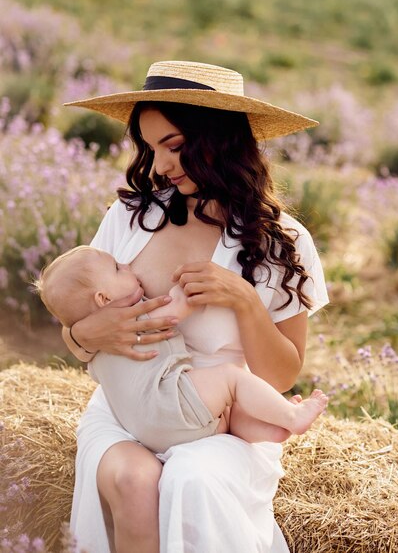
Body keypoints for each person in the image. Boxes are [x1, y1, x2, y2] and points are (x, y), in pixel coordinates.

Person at [61, 60, 329, 553]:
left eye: (175, 146)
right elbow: (75, 327)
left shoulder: (284, 242)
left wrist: (244, 301)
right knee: (133, 481)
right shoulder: (129, 218)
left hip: (219, 420)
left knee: (194, 480)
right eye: (150, 147)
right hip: (126, 409)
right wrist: (84, 338)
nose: (160, 165)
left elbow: (282, 375)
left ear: (221, 141)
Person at [36, 245, 328, 453]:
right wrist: (190, 285)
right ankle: (290, 418)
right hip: (168, 406)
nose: (127, 265)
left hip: (144, 431)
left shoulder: (98, 347)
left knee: (228, 414)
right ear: (103, 298)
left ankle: (272, 430)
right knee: (230, 379)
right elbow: (176, 308)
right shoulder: (133, 318)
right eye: (117, 268)